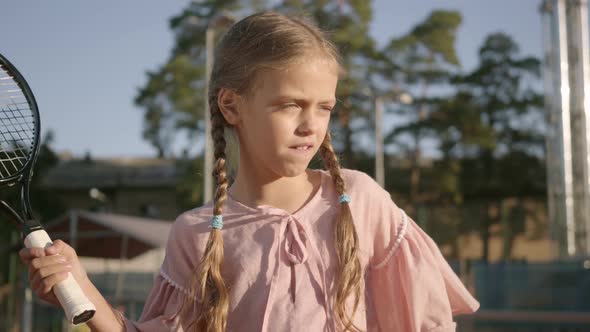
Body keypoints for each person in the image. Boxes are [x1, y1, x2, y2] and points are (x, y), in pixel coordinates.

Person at [19, 11, 479, 332]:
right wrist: (80, 287)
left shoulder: (361, 198)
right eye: (290, 104)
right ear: (231, 105)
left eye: (325, 107)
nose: (310, 124)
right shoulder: (195, 234)